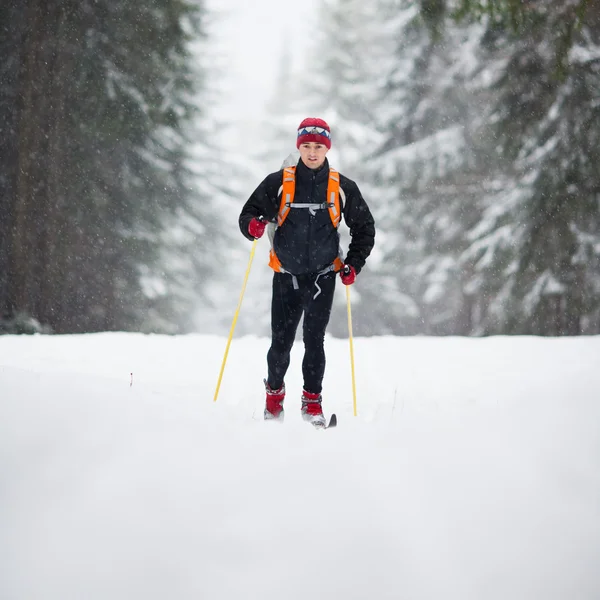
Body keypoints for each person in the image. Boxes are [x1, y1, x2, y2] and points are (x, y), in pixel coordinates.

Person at [238, 117, 375, 427]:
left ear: (327, 148)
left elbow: (365, 227)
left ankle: (312, 405)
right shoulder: (279, 182)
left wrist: (354, 263)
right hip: (286, 275)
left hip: (323, 276)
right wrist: (253, 226)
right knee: (281, 343)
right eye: (306, 146)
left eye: (318, 146)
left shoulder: (341, 186)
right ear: (298, 146)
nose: (312, 152)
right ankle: (274, 398)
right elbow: (247, 215)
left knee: (315, 343)